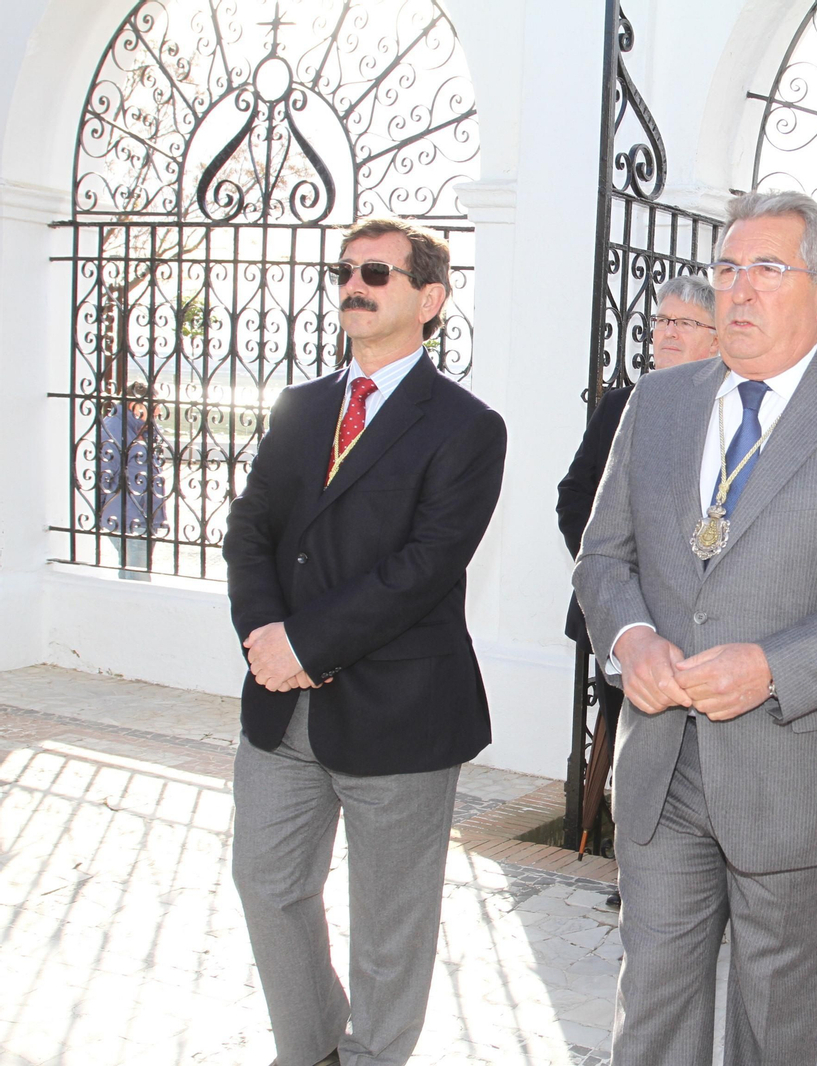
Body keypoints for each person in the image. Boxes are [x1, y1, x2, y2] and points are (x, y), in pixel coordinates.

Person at [573, 190, 817, 1066]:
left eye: (768, 270)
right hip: (664, 758)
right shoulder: (659, 402)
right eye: (728, 268)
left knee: (773, 1013)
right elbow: (603, 558)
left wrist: (774, 667)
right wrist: (630, 639)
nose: (738, 291)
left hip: (798, 766)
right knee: (653, 997)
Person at [224, 217, 507, 1066]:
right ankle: (308, 1050)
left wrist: (303, 643)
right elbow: (250, 531)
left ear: (430, 298)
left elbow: (423, 569)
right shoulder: (303, 406)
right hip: (279, 707)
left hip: (400, 713)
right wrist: (264, 637)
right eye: (345, 269)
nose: (354, 283)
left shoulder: (466, 426)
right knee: (267, 884)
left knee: (389, 926)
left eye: (375, 272)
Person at [555, 274, 721, 904]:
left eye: (683, 323)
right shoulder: (622, 404)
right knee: (634, 754)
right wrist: (615, 583)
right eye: (661, 321)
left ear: (715, 336)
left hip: (705, 624)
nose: (666, 333)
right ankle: (639, 876)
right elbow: (577, 501)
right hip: (627, 621)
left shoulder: (734, 409)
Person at [96, 379, 169, 578]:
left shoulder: (141, 429)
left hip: (141, 515)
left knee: (131, 574)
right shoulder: (113, 430)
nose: (157, 411)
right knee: (137, 577)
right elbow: (104, 474)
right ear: (133, 405)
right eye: (152, 405)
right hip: (128, 518)